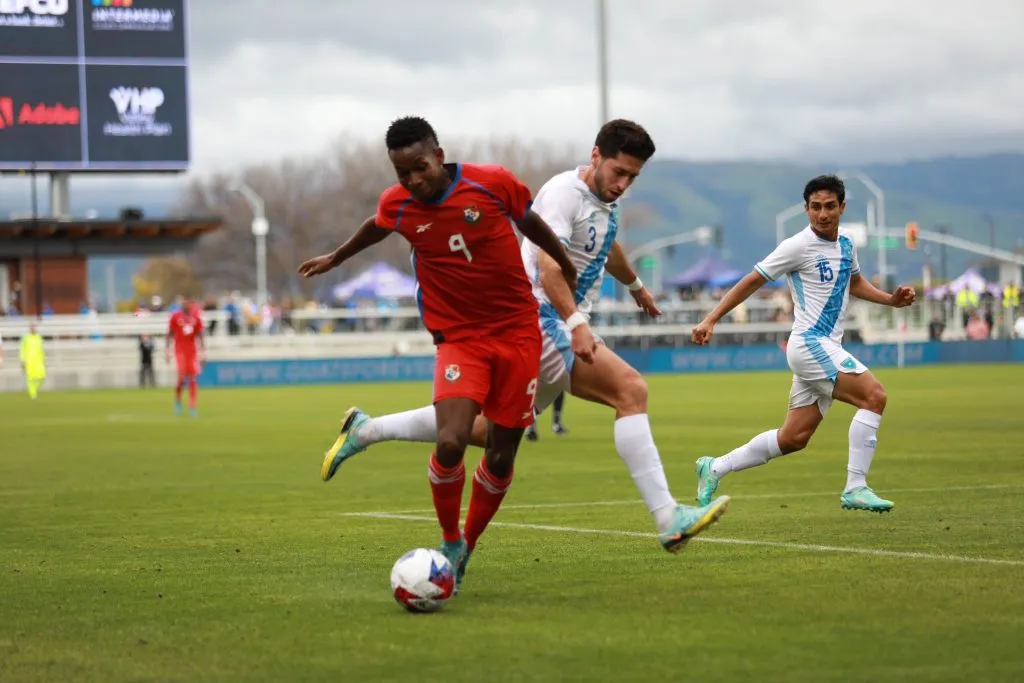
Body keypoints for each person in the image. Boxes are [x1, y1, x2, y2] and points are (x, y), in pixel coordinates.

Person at [312, 119, 731, 554]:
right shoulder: (563, 194)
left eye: (632, 177)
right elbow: (550, 267)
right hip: (541, 319)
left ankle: (367, 431)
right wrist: (576, 324)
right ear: (595, 157)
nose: (623, 183)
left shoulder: (603, 201)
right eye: (618, 172)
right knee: (630, 389)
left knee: (484, 433)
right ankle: (667, 518)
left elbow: (606, 246)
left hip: (540, 326)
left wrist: (635, 287)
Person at [298, 116, 578, 593]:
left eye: (420, 167)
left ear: (438, 155)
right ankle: (449, 540)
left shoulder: (491, 184)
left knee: (501, 453)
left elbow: (529, 220)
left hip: (517, 335)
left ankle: (466, 543)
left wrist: (565, 263)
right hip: (460, 338)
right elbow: (377, 225)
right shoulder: (400, 204)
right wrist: (337, 257)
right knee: (449, 441)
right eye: (401, 172)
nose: (412, 180)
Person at [691, 174, 915, 513]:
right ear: (806, 209)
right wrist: (711, 318)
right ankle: (856, 486)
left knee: (793, 438)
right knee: (875, 397)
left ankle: (715, 466)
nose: (822, 214)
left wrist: (890, 300)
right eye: (815, 208)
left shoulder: (847, 244)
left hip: (824, 347)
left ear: (842, 207)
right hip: (811, 344)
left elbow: (853, 282)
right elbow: (751, 281)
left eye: (829, 207)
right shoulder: (796, 246)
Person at [165, 300, 204, 416]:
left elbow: (200, 335)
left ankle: (192, 404)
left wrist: (203, 351)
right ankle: (178, 400)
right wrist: (167, 350)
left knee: (193, 377)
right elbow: (170, 333)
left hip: (192, 351)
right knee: (182, 377)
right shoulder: (175, 317)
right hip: (180, 350)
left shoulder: (196, 318)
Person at [19, 322, 45, 400]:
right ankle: (33, 394)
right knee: (30, 379)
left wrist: (43, 359)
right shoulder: (25, 338)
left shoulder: (39, 337)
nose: (33, 329)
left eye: (34, 327)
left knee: (42, 377)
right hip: (29, 361)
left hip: (39, 361)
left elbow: (41, 349)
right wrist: (22, 360)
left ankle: (35, 390)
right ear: (29, 329)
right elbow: (22, 350)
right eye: (32, 327)